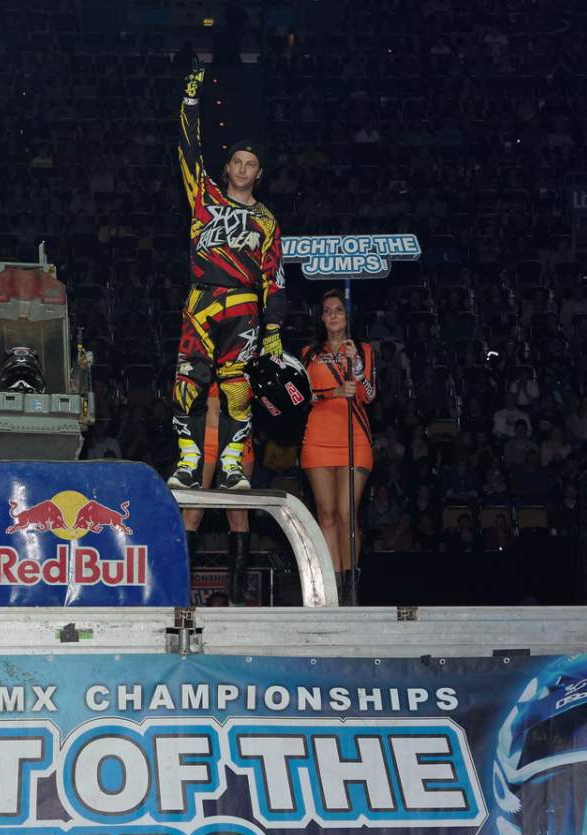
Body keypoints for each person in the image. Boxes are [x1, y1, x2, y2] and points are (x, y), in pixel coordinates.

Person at [169, 59, 286, 492]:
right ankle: (188, 461)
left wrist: (274, 328)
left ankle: (232, 466)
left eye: (250, 164)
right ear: (228, 166)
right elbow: (188, 149)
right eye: (237, 161)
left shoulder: (267, 220)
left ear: (259, 173)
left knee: (238, 390)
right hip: (201, 302)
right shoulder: (205, 195)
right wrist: (191, 101)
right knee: (187, 383)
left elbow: (275, 277)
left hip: (243, 306)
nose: (241, 168)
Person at [301, 290, 376, 596]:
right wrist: (332, 393)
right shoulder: (309, 353)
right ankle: (334, 588)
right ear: (321, 318)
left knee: (347, 514)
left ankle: (351, 587)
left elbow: (369, 394)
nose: (333, 315)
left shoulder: (363, 349)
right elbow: (301, 396)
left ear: (347, 316)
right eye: (327, 311)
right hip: (318, 437)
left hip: (354, 436)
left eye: (338, 310)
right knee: (326, 514)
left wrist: (355, 364)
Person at [181, 384, 255, 605]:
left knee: (239, 514)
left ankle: (236, 595)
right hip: (206, 434)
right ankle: (180, 590)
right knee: (192, 512)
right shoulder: (202, 363)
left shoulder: (244, 362)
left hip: (239, 436)